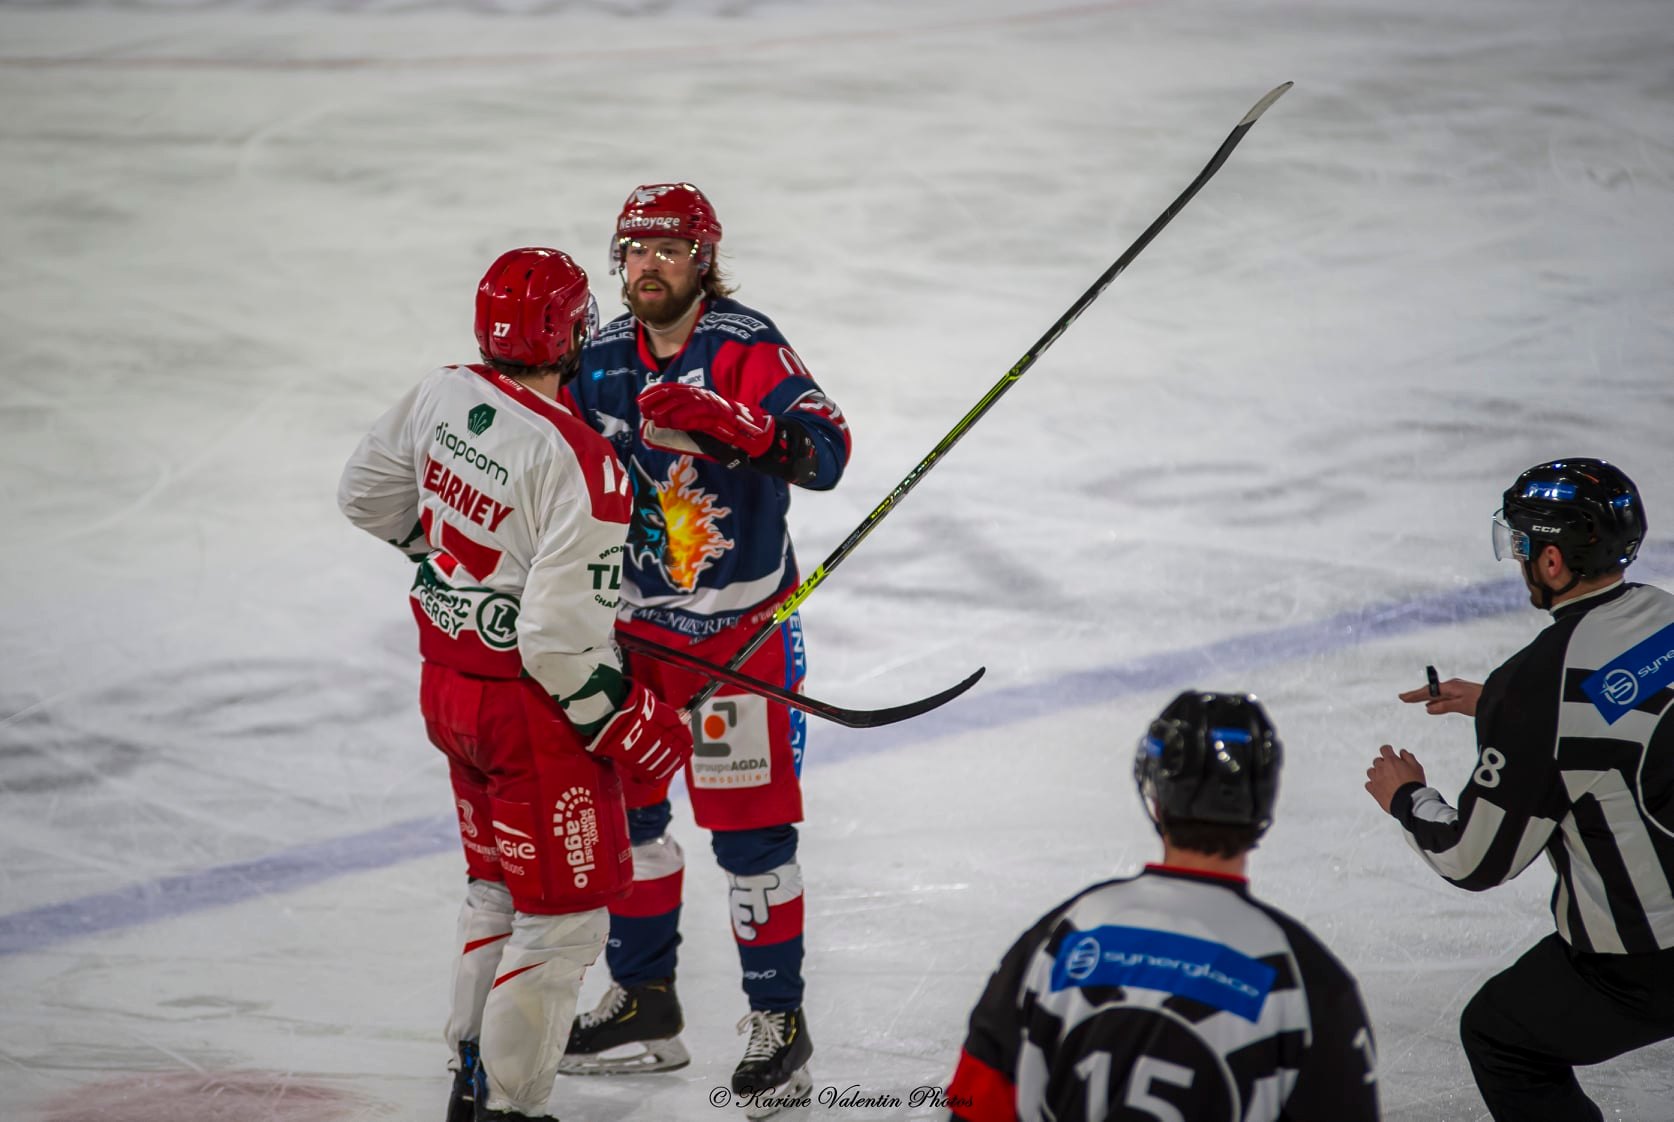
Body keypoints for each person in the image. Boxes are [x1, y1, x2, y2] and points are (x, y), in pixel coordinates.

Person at [337, 247, 694, 1122]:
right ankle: (510, 1106)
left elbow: (365, 496)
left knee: (496, 888)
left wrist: (452, 574)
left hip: (448, 692)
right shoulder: (582, 460)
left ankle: (469, 1075)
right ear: (572, 333)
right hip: (528, 718)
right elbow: (555, 641)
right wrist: (625, 719)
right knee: (563, 922)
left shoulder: (441, 391)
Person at [558, 182, 852, 1105]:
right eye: (634, 249)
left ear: (703, 259)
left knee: (753, 838)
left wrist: (754, 434)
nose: (647, 265)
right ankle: (645, 999)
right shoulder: (598, 359)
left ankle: (780, 1019)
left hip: (740, 642)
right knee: (631, 824)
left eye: (668, 249)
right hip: (634, 639)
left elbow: (831, 450)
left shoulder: (745, 344)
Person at [1365, 457, 1674, 1122]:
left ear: (1554, 561)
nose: (1520, 561)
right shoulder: (1664, 615)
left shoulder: (1537, 688)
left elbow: (1475, 861)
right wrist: (1494, 706)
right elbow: (1621, 710)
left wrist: (1407, 797)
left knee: (1500, 1036)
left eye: (1523, 547)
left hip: (1646, 966)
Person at [948, 691, 1379, 1122]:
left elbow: (977, 1101)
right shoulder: (1307, 978)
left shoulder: (1064, 935)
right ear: (1264, 800)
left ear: (1156, 797)